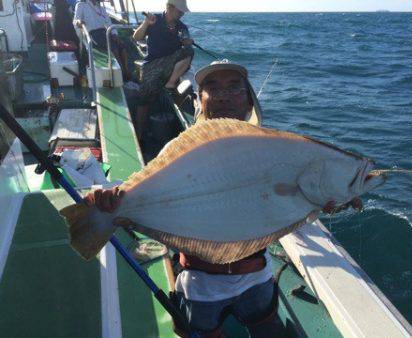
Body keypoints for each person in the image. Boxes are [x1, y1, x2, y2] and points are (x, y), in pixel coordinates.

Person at [85, 61, 362, 337]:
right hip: (201, 283)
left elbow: (289, 203)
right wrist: (112, 201)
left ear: (249, 99)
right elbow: (148, 187)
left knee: (266, 326)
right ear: (200, 99)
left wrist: (336, 198)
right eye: (212, 87)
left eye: (234, 87)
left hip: (257, 275)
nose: (223, 95)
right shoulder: (178, 151)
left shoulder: (274, 150)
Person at [132, 0, 194, 141]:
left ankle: (171, 83)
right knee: (144, 100)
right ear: (169, 7)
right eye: (180, 11)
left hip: (170, 67)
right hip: (152, 65)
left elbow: (186, 41)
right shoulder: (154, 20)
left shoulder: (181, 27)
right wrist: (146, 23)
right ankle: (139, 134)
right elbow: (136, 37)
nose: (182, 14)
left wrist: (186, 42)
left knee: (188, 51)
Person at [73, 0, 131, 80]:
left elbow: (109, 23)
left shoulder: (102, 9)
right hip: (93, 34)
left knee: (122, 47)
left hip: (105, 32)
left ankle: (126, 69)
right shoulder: (81, 5)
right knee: (114, 49)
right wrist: (78, 22)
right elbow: (76, 20)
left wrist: (114, 34)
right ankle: (121, 72)